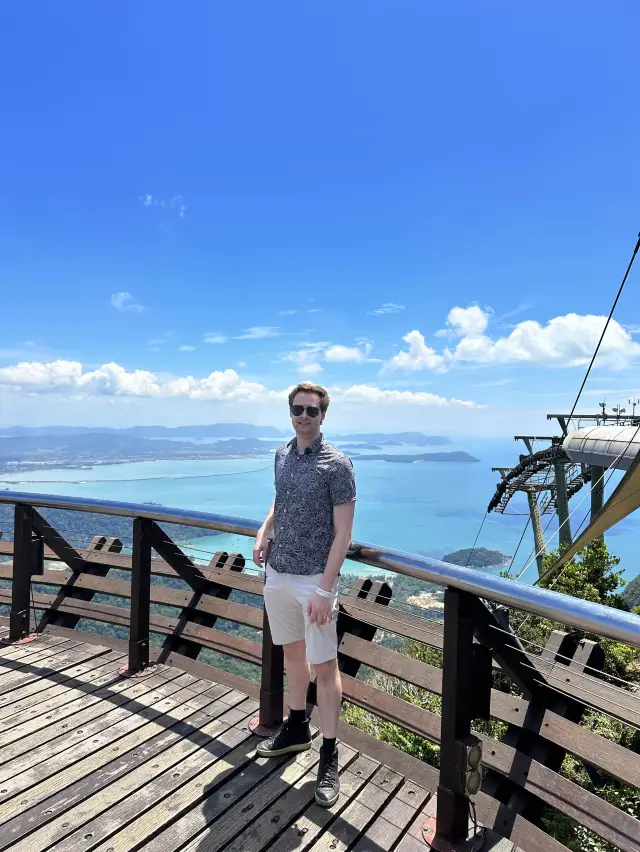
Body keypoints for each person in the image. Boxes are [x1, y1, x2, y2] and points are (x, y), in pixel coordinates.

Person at [253, 381, 356, 807]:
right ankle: (297, 728)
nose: (303, 416)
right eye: (297, 409)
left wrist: (324, 589)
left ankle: (329, 755)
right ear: (289, 411)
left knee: (325, 668)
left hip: (314, 580)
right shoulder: (281, 455)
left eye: (312, 411)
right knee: (292, 655)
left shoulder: (337, 465)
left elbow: (344, 533)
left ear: (323, 416)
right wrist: (263, 532)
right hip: (277, 573)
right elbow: (280, 503)